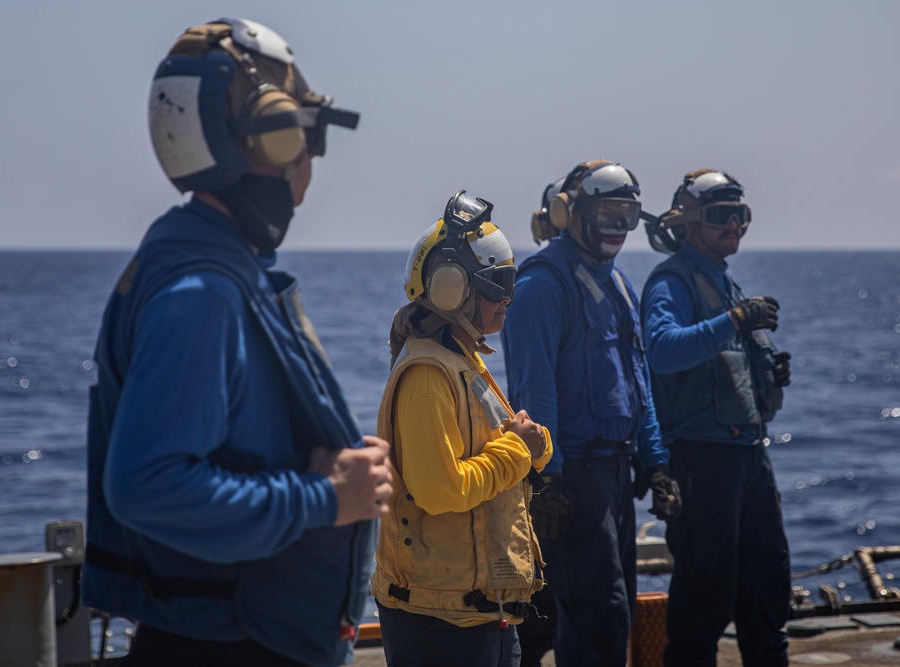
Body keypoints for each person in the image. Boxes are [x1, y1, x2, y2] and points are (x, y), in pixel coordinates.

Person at [82, 18, 392, 667]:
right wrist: (326, 497)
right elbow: (146, 486)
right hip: (229, 645)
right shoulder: (202, 293)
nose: (309, 172)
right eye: (307, 140)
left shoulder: (202, 265)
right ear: (276, 139)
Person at [501, 161, 682, 667]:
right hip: (573, 477)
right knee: (598, 616)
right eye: (607, 213)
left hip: (614, 475)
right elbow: (534, 388)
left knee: (603, 611)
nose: (617, 227)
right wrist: (548, 479)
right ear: (570, 213)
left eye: (627, 215)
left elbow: (637, 380)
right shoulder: (542, 284)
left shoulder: (619, 284)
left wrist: (655, 462)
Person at [371, 191, 554, 667]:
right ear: (453, 288)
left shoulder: (463, 358)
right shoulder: (429, 374)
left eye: (509, 283)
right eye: (496, 286)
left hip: (478, 605)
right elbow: (441, 490)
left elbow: (499, 445)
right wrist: (519, 450)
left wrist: (533, 446)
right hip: (442, 618)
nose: (507, 298)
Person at [640, 169, 792, 667]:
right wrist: (736, 320)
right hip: (702, 462)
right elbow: (663, 350)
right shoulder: (673, 282)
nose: (734, 226)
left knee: (767, 585)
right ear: (689, 223)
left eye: (740, 215)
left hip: (748, 457)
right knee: (704, 598)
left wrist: (768, 372)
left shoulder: (721, 281)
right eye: (722, 216)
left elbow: (722, 362)